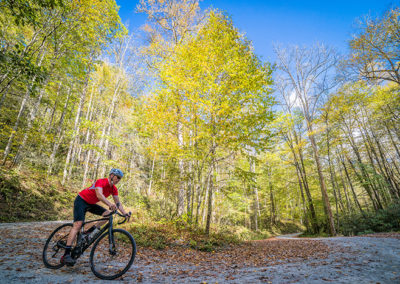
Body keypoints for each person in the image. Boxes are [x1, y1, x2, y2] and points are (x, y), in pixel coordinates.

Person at [61, 168, 130, 266]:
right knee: (78, 225)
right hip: (81, 200)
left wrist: (124, 213)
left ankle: (89, 231)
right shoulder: (101, 182)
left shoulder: (114, 189)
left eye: (120, 178)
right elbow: (99, 195)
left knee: (108, 215)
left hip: (91, 204)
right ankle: (66, 254)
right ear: (111, 175)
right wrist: (110, 204)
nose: (118, 180)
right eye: (117, 177)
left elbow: (118, 203)